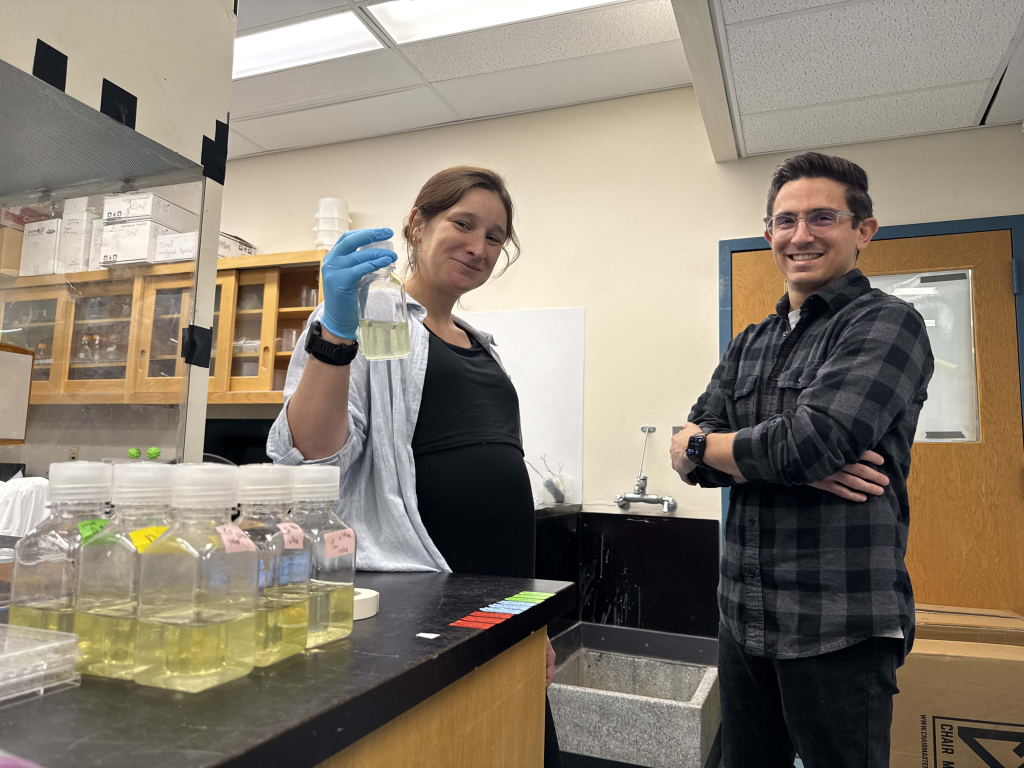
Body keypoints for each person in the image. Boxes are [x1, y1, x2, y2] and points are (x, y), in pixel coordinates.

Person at [267, 166, 561, 767]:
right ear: (416, 224)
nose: (479, 246)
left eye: (496, 237)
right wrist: (335, 332)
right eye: (463, 223)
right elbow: (312, 454)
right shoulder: (368, 325)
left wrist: (531, 624)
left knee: (518, 749)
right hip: (419, 601)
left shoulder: (483, 345)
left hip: (501, 603)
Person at [669, 152, 934, 768]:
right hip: (744, 613)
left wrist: (732, 449)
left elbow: (813, 442)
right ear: (768, 234)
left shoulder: (887, 323)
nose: (801, 235)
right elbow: (691, 454)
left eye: (822, 217)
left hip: (837, 620)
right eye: (785, 221)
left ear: (863, 230)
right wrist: (718, 448)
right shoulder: (751, 342)